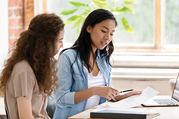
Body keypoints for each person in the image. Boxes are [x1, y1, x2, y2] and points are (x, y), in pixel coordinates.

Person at [53, 9, 141, 119]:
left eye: (111, 33)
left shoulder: (104, 58)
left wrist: (120, 97)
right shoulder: (68, 57)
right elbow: (61, 98)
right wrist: (94, 91)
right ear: (89, 28)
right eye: (104, 31)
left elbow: (102, 95)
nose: (108, 38)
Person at [0, 13, 64, 119]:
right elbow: (26, 117)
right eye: (60, 40)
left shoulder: (36, 67)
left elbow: (40, 113)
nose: (62, 45)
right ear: (46, 43)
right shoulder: (24, 71)